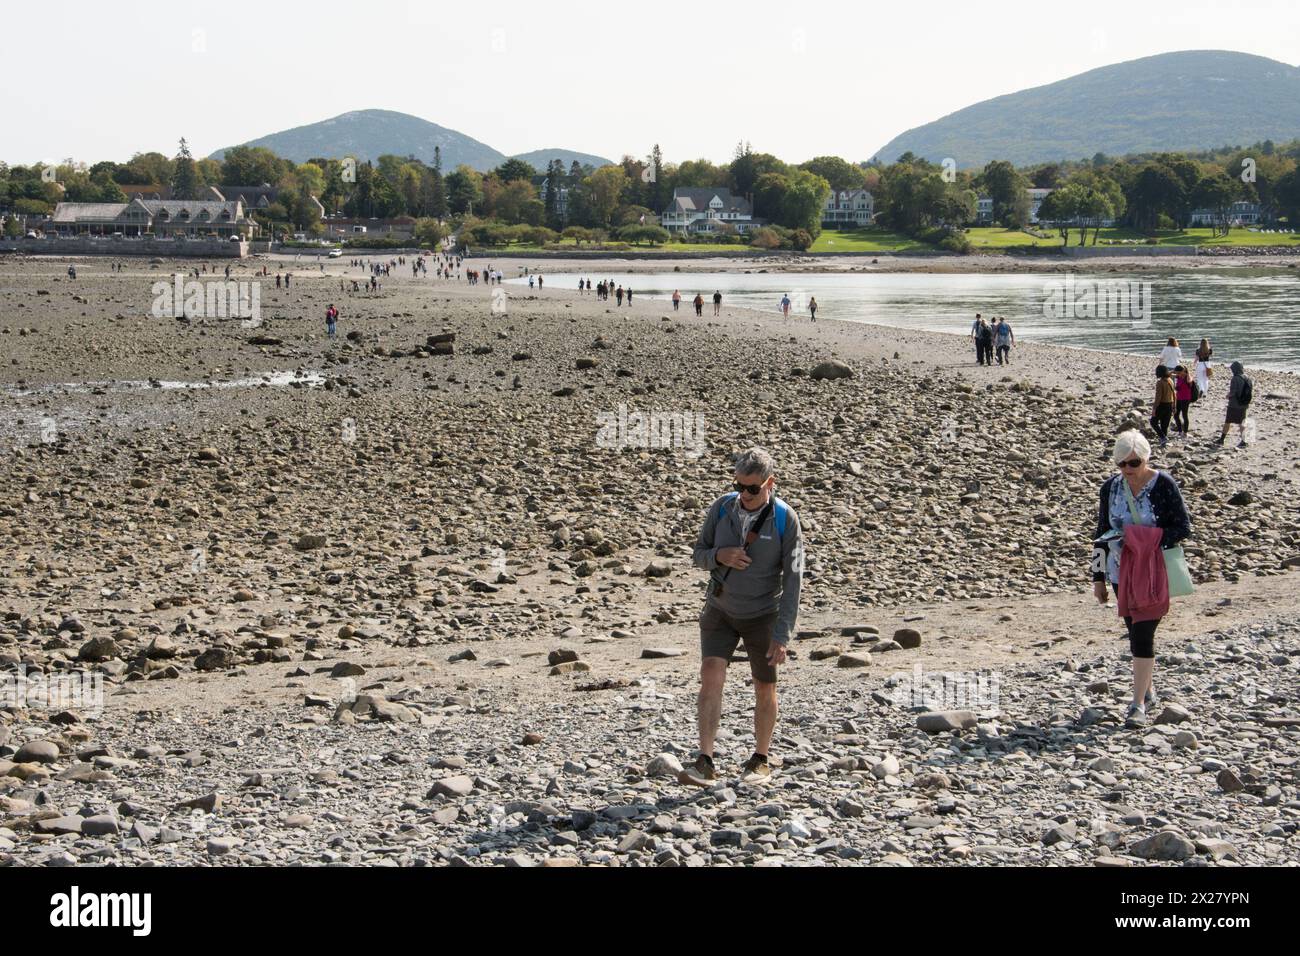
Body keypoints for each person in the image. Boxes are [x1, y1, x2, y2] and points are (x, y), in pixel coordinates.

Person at [686, 448, 804, 784]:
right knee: (711, 675)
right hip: (720, 609)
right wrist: (720, 555)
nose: (745, 495)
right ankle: (705, 760)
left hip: (762, 615)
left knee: (764, 686)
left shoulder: (785, 519)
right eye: (739, 486)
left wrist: (783, 635)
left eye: (753, 488)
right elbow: (699, 554)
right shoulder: (722, 507)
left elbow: (794, 580)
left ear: (770, 483)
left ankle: (760, 758)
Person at [1091, 430, 1191, 728]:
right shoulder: (1111, 488)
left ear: (1146, 459)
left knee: (1142, 634)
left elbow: (1182, 526)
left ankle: (1136, 705)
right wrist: (1098, 578)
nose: (1127, 469)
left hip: (1153, 571)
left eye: (1133, 463)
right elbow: (1101, 533)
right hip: (1121, 571)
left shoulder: (1163, 485)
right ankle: (1147, 692)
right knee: (1133, 629)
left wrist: (1144, 541)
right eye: (1121, 463)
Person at [1218, 361, 1253, 447]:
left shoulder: (1235, 378)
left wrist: (1228, 396)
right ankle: (1244, 440)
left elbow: (1233, 392)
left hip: (1234, 404)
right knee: (1242, 423)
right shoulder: (1247, 378)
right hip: (1244, 404)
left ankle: (1222, 439)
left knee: (1228, 421)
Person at [1150, 365, 1176, 448]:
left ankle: (1163, 437)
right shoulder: (1170, 380)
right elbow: (1174, 394)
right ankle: (1164, 441)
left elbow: (1158, 397)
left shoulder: (1160, 382)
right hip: (1170, 404)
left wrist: (1154, 408)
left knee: (1153, 422)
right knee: (1164, 424)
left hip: (1162, 404)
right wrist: (1174, 406)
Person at [1173, 365, 1193, 438]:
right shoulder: (1178, 377)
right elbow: (1168, 374)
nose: (1177, 374)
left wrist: (1186, 373)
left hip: (1185, 398)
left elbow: (1190, 381)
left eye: (1179, 373)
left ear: (1182, 371)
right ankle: (1180, 431)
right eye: (1177, 373)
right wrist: (1174, 372)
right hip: (1178, 398)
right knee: (1176, 415)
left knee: (1184, 415)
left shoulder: (1187, 377)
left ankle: (1185, 433)